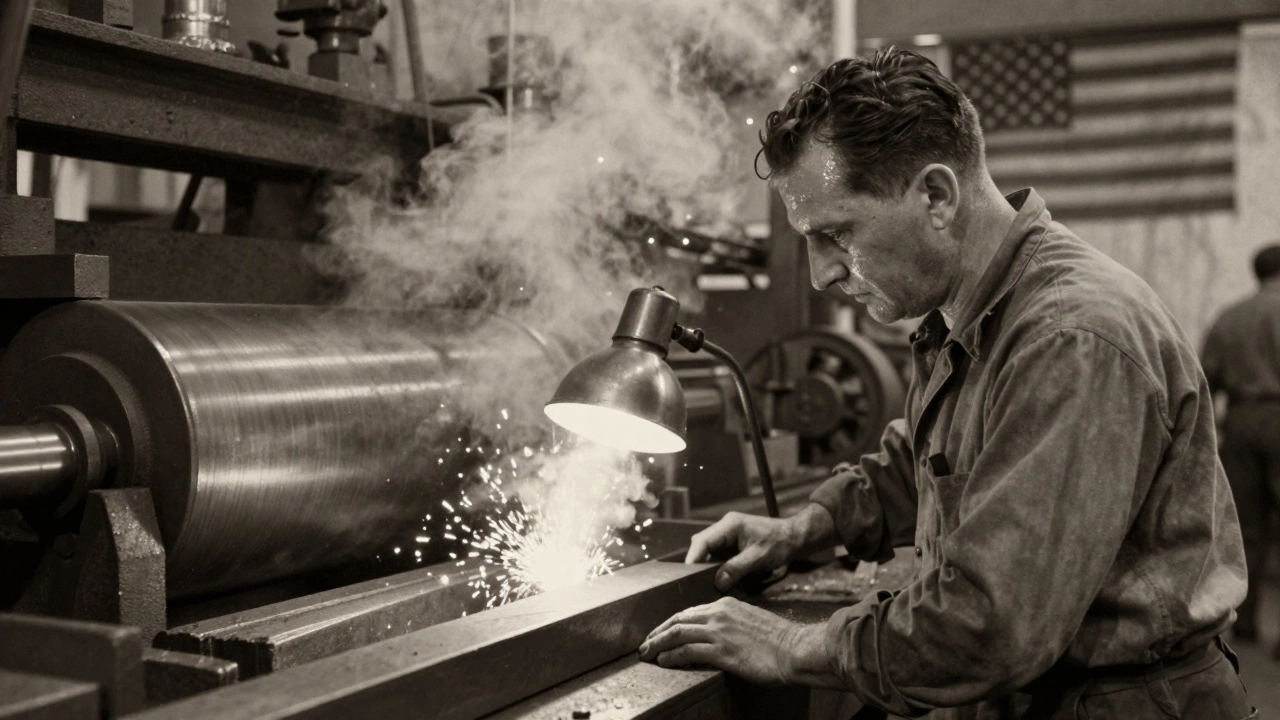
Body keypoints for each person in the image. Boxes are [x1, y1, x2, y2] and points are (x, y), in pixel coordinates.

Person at [637, 48, 1253, 719]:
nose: (822, 273)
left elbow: (991, 629)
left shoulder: (1068, 338)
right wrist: (808, 527)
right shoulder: (976, 311)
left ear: (935, 194)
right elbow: (933, 461)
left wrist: (792, 644)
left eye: (836, 234)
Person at [1202, 243, 1280, 661]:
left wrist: (1212, 431)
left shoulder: (1231, 318)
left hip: (1243, 422)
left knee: (1246, 529)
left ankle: (1244, 622)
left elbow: (1203, 378)